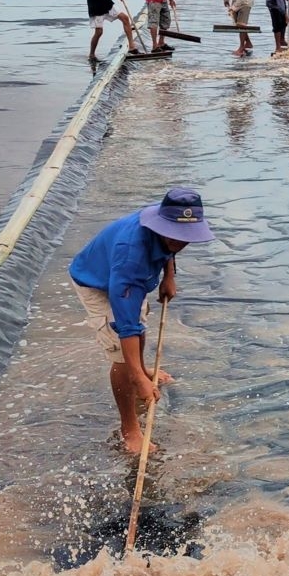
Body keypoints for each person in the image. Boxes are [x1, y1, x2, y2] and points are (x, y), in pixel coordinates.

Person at [69, 188, 214, 453]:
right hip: (96, 281)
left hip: (127, 279)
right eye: (175, 236)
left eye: (186, 237)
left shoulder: (169, 222)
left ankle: (142, 370)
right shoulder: (130, 258)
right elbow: (125, 327)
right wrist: (136, 378)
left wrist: (169, 276)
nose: (180, 242)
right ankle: (129, 430)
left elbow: (171, 246)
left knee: (140, 325)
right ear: (161, 227)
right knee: (123, 357)